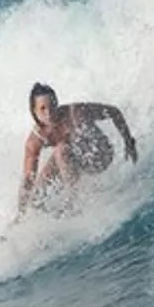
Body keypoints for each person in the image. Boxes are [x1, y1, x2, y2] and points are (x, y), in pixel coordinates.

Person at [16, 82, 137, 218]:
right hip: (73, 159)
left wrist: (129, 141)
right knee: (37, 191)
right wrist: (19, 215)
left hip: (100, 155)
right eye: (42, 109)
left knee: (61, 149)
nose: (49, 113)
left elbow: (114, 111)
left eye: (52, 106)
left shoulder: (75, 112)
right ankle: (30, 218)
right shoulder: (35, 140)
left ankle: (72, 202)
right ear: (34, 111)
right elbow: (28, 179)